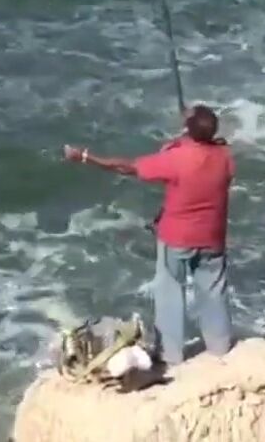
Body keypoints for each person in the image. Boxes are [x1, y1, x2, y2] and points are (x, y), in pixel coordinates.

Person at [63, 105, 234, 365]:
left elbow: (128, 167)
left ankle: (170, 354)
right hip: (212, 237)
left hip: (177, 238)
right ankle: (220, 346)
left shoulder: (175, 158)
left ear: (188, 130)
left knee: (170, 292)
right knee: (213, 291)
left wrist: (86, 157)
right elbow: (205, 154)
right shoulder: (225, 157)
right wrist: (185, 139)